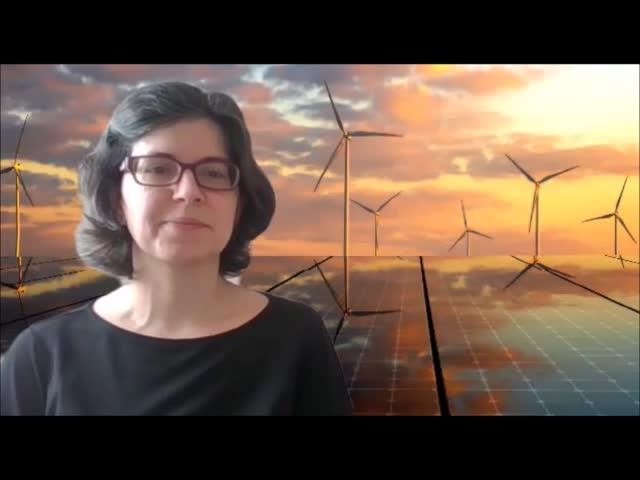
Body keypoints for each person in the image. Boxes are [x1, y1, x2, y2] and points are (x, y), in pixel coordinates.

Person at [0, 81, 352, 416]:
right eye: (157, 169)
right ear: (115, 199)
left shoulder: (297, 337)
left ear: (239, 203)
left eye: (213, 173)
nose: (188, 192)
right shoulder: (41, 355)